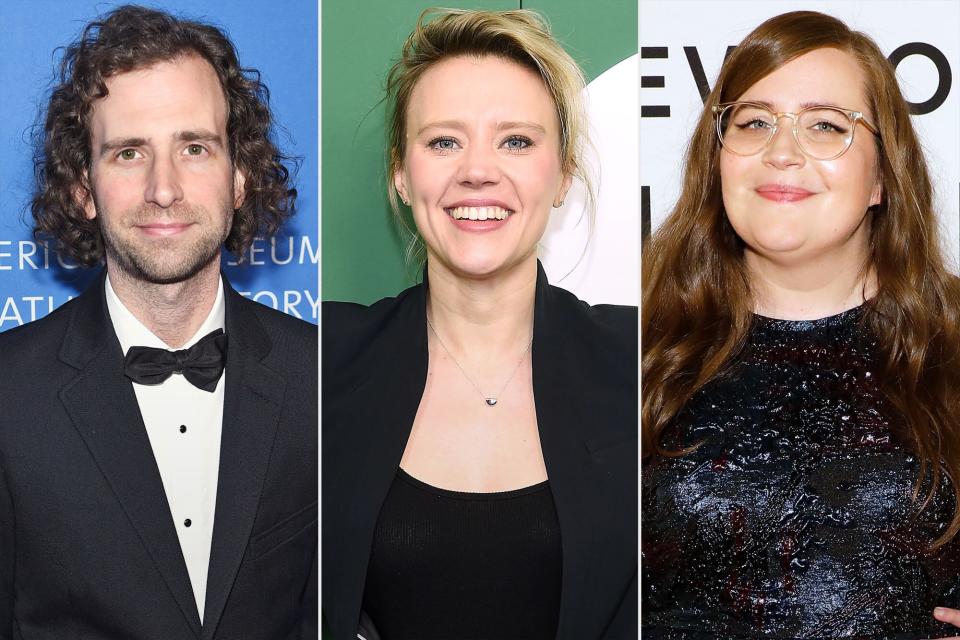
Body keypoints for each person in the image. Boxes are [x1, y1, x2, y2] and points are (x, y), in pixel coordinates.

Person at [642, 10, 960, 639]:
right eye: (754, 122)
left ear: (881, 175)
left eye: (825, 126)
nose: (781, 151)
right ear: (718, 162)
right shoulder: (639, 346)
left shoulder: (952, 345)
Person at [0, 6, 317, 638]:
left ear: (239, 178)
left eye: (194, 148)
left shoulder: (318, 375)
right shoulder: (8, 392)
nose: (164, 188)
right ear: (82, 189)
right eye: (127, 153)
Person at [322, 8, 637, 640]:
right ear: (400, 175)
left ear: (562, 176)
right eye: (444, 141)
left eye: (516, 141)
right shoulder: (319, 362)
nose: (477, 169)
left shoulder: (643, 363)